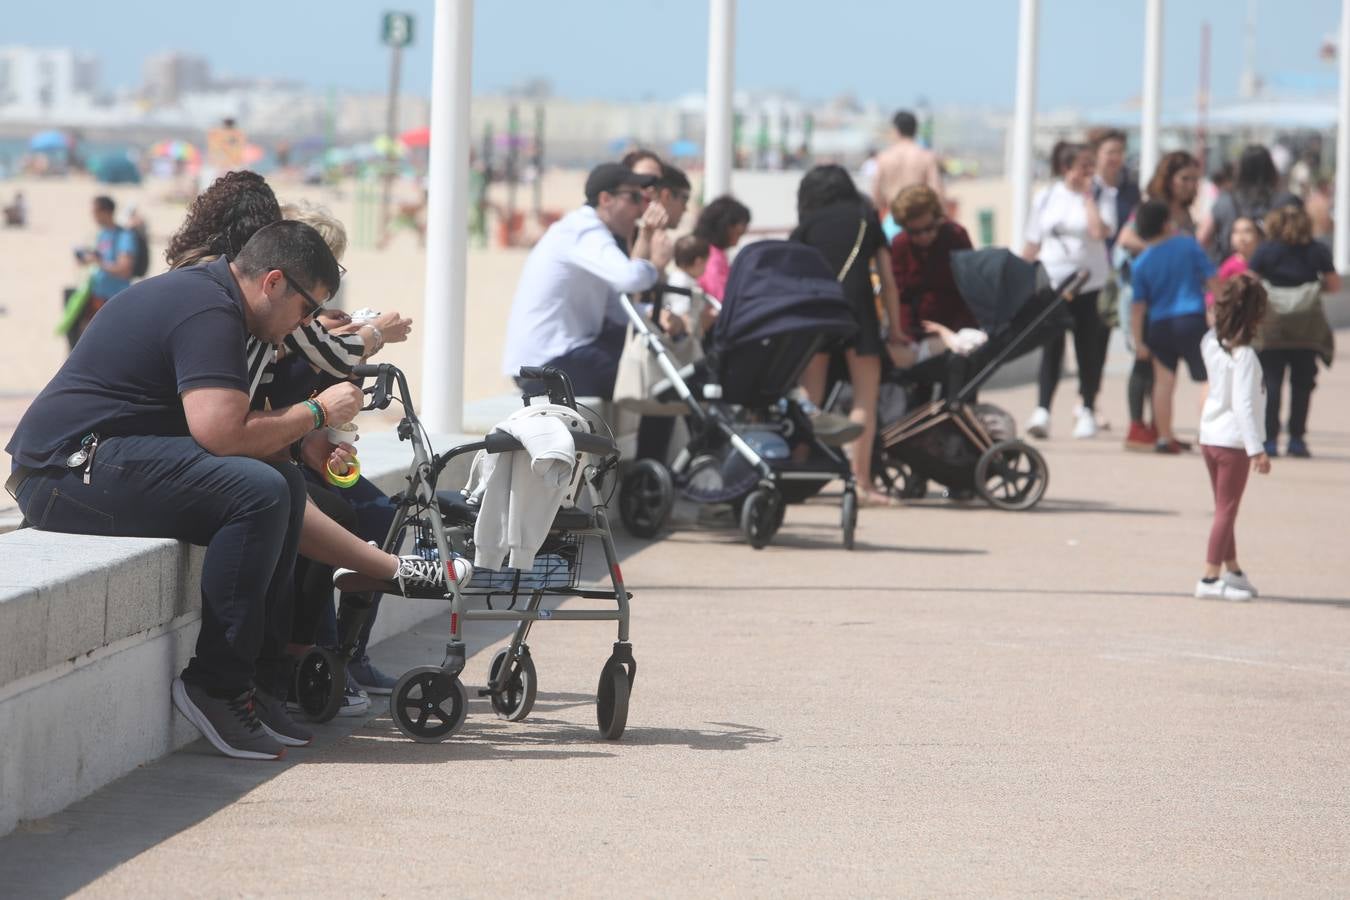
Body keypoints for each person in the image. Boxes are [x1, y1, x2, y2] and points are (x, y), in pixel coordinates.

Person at [5, 222, 371, 761]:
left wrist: (306, 436)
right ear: (273, 282)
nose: (306, 324)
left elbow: (232, 435)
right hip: (62, 473)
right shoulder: (208, 309)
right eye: (306, 308)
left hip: (100, 459)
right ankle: (216, 687)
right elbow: (222, 433)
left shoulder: (218, 298)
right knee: (260, 492)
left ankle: (261, 685)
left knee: (285, 485)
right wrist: (317, 411)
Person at [793, 164, 903, 507]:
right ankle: (862, 483)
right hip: (859, 315)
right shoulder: (866, 219)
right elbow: (888, 281)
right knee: (864, 400)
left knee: (810, 398)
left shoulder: (807, 226)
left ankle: (794, 471)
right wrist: (896, 328)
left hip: (817, 314)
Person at [501, 162, 661, 397]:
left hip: (564, 355)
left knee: (649, 359)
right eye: (635, 198)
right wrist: (654, 264)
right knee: (645, 372)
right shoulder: (583, 230)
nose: (641, 210)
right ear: (605, 199)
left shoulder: (590, 235)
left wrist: (659, 314)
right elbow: (630, 278)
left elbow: (617, 312)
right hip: (545, 365)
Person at [1021, 141, 1112, 440]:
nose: (1088, 171)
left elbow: (1099, 231)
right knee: (1052, 346)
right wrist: (1020, 275)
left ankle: (1087, 407)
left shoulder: (1102, 195)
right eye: (1082, 165)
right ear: (1066, 168)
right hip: (1054, 283)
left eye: (1091, 165)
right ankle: (1043, 409)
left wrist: (1088, 197)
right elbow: (1033, 242)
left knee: (1088, 348)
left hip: (1090, 284)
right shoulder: (1046, 197)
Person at [1117, 151, 1202, 450]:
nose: (1190, 185)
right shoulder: (1152, 208)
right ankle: (1137, 427)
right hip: (1147, 297)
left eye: (1194, 179)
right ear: (1168, 179)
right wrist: (1162, 256)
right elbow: (1125, 238)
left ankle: (1160, 428)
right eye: (1184, 178)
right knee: (1143, 360)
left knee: (1164, 369)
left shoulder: (1185, 214)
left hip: (1172, 300)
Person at [1194, 274, 1270, 601]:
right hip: (1232, 442)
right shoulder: (1245, 356)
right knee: (1226, 510)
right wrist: (1257, 449)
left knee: (1224, 508)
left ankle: (1233, 571)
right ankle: (1209, 578)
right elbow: (1243, 405)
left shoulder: (1210, 343)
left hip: (1210, 436)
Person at [1247, 202, 1339, 458]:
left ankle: (1270, 440)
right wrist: (1312, 289)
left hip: (1271, 327)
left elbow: (1249, 281)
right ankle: (1297, 439)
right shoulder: (1318, 250)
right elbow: (1334, 285)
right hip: (1306, 329)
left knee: (1271, 382)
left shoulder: (1265, 250)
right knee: (1302, 384)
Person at [1129, 201, 1216, 454]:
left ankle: (1164, 438)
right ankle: (1209, 435)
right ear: (1167, 224)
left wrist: (1138, 341)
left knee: (1163, 383)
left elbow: (1138, 307)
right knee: (1209, 378)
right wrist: (1223, 310)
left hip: (1160, 325)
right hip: (1191, 319)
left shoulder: (1141, 262)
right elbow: (1213, 279)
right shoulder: (1187, 245)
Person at [1199, 144, 1297, 262]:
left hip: (1233, 269)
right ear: (1271, 169)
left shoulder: (1225, 201)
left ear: (1240, 170)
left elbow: (1203, 238)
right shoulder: (1287, 201)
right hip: (1275, 268)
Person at [70, 195, 138, 345]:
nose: (92, 215)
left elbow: (124, 269)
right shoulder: (103, 234)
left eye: (95, 211)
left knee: (108, 342)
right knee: (86, 340)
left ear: (106, 212)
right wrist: (86, 259)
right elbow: (102, 259)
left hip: (115, 299)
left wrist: (98, 263)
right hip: (97, 296)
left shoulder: (124, 236)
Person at [869, 110, 944, 224]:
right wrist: (941, 217)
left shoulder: (884, 157)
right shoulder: (926, 156)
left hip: (894, 216)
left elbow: (876, 192)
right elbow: (936, 189)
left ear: (896, 130)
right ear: (916, 130)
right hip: (920, 218)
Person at [692, 195, 751, 302]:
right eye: (738, 233)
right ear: (727, 226)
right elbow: (720, 297)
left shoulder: (710, 251)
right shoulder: (712, 256)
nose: (744, 230)